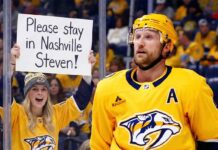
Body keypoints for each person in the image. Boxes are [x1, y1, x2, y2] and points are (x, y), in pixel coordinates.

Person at [90, 13, 218, 150]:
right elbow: (100, 145)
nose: (140, 42)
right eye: (137, 37)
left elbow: (210, 139)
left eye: (149, 37)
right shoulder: (107, 87)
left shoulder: (192, 84)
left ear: (167, 46)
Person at [0, 44, 96, 150]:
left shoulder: (56, 114)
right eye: (35, 89)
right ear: (27, 94)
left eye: (43, 89)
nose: (40, 93)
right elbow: (4, 95)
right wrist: (11, 65)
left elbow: (80, 102)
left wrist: (87, 72)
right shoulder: (17, 113)